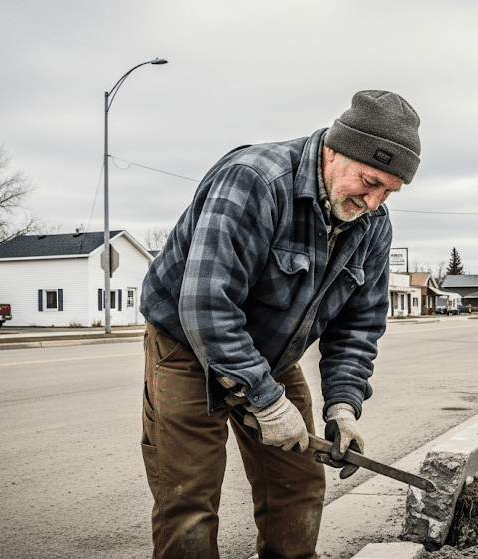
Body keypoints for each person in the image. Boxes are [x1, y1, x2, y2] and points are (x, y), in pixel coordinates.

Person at [139, 90, 421, 559]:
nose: (374, 202)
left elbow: (358, 324)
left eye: (389, 191)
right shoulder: (254, 180)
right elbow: (207, 305)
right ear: (336, 150)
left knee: (297, 484)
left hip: (271, 354)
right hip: (187, 347)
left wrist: (344, 405)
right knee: (190, 496)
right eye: (369, 181)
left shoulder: (372, 224)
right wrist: (268, 402)